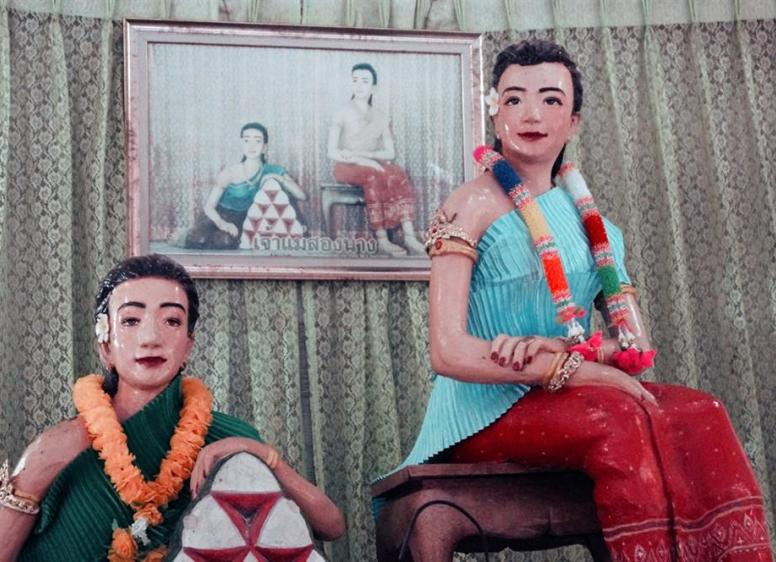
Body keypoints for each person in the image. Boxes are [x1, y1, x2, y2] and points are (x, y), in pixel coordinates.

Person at [387, 39, 773, 561]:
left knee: (703, 412)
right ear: (495, 114)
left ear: (573, 122)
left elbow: (635, 348)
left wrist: (569, 353)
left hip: (574, 392)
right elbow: (448, 351)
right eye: (514, 98)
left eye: (550, 99)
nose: (531, 114)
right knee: (617, 419)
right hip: (482, 409)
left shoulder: (598, 228)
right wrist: (569, 370)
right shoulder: (468, 206)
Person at [0, 254, 345, 560]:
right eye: (131, 320)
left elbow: (331, 526)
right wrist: (35, 472)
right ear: (105, 345)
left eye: (172, 321)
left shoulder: (226, 438)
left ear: (188, 344)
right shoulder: (62, 444)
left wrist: (262, 455)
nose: (151, 338)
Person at [327, 62, 425, 257]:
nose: (359, 85)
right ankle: (382, 240)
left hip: (371, 162)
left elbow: (390, 153)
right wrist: (359, 160)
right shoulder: (342, 112)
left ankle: (409, 236)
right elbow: (331, 151)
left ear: (374, 87)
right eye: (355, 80)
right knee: (372, 176)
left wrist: (367, 157)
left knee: (398, 173)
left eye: (365, 81)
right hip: (346, 166)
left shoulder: (381, 116)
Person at [180, 122, 307, 250]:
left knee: (224, 241)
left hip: (244, 218)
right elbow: (209, 206)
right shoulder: (229, 173)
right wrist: (222, 223)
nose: (251, 146)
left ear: (264, 147)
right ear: (242, 144)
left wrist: (278, 178)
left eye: (257, 141)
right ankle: (184, 236)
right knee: (199, 239)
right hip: (218, 215)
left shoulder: (273, 170)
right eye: (247, 140)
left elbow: (301, 196)